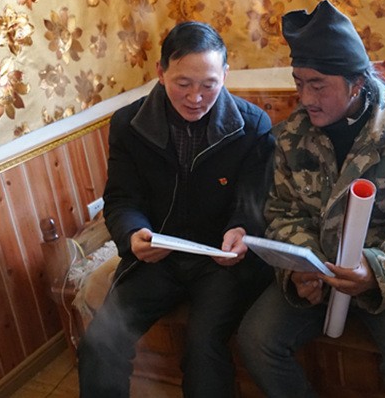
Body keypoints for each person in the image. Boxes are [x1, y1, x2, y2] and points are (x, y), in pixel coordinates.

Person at [236, 0, 385, 397]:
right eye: (299, 83)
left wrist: (373, 271)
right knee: (256, 340)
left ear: (356, 83)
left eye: (318, 85)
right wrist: (300, 270)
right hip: (320, 271)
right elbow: (282, 211)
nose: (306, 98)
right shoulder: (291, 137)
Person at [77, 21, 275, 398]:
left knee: (204, 350)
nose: (196, 97)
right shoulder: (130, 124)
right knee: (101, 341)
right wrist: (133, 234)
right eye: (183, 83)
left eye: (209, 85)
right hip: (159, 256)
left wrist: (241, 229)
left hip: (220, 261)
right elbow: (122, 198)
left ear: (225, 75)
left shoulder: (251, 126)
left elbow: (256, 201)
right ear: (160, 72)